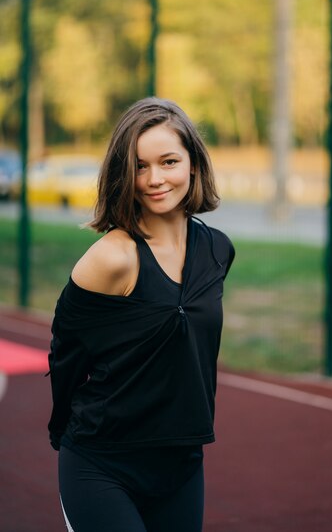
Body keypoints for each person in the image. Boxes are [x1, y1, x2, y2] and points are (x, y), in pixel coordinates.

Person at [47, 97, 235, 532]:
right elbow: (66, 353)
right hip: (103, 464)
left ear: (193, 164)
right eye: (139, 166)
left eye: (168, 161)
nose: (154, 179)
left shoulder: (217, 250)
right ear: (122, 173)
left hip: (182, 464)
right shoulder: (112, 258)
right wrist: (62, 431)